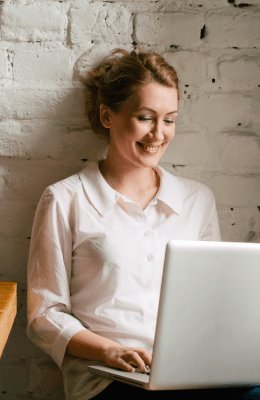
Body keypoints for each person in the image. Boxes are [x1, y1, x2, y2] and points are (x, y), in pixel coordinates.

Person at [27, 48, 257, 400]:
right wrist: (109, 351)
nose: (159, 134)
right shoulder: (65, 199)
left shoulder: (197, 200)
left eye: (169, 119)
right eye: (146, 117)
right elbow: (44, 315)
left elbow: (212, 304)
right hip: (108, 380)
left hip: (190, 374)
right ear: (107, 115)